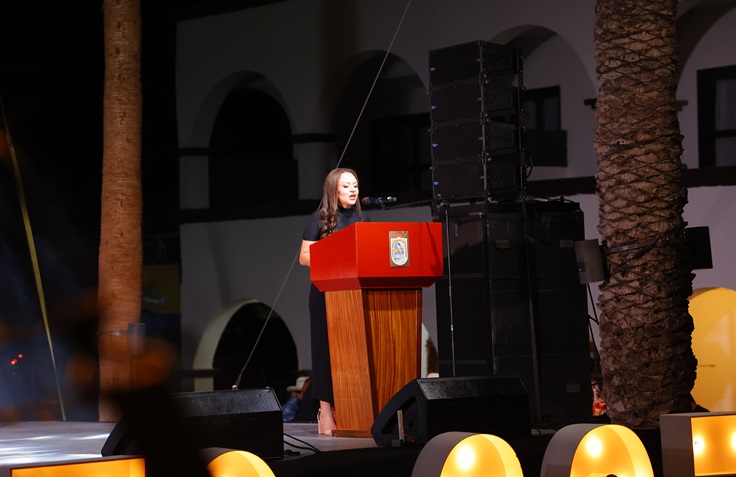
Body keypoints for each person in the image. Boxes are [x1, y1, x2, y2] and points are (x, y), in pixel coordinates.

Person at [299, 167, 369, 435]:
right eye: (346, 186)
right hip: (325, 293)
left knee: (352, 351)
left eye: (355, 185)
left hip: (353, 294)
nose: (353, 190)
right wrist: (333, 251)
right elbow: (304, 257)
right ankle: (325, 411)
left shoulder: (363, 219)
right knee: (325, 352)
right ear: (334, 190)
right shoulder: (319, 218)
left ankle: (352, 408)